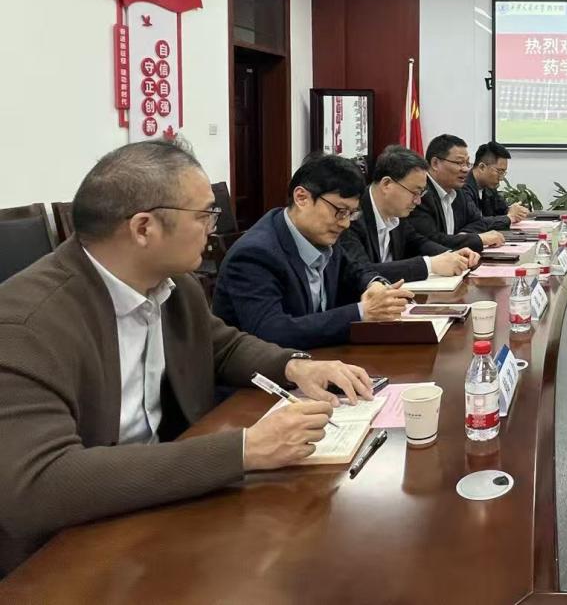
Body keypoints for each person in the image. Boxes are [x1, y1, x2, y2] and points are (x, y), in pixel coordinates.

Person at [0, 141, 373, 575]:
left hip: (165, 500)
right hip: (68, 552)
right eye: (204, 216)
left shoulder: (174, 286)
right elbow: (40, 484)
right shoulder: (26, 324)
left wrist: (296, 366)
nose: (213, 230)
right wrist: (244, 449)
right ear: (144, 228)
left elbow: (223, 346)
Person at [212, 153, 414, 349]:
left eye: (351, 214)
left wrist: (375, 284)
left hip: (318, 357)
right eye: (340, 211)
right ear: (302, 198)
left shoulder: (322, 234)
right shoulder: (255, 254)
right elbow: (272, 332)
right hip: (265, 370)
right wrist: (361, 312)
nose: (345, 223)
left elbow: (355, 270)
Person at [340, 146, 479, 282]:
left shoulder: (397, 213)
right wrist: (430, 265)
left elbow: (417, 242)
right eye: (415, 192)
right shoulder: (351, 215)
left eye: (421, 193)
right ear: (386, 184)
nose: (418, 201)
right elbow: (361, 272)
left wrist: (451, 255)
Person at [405, 134, 505, 253]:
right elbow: (430, 241)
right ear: (435, 163)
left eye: (467, 163)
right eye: (459, 163)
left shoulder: (457, 192)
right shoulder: (420, 194)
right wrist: (476, 239)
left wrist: (462, 236)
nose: (466, 169)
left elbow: (478, 221)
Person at [461, 141, 530, 231]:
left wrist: (513, 211)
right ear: (482, 167)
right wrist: (509, 217)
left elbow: (501, 209)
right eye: (499, 171)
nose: (501, 178)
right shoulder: (462, 187)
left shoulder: (489, 187)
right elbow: (476, 222)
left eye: (503, 173)